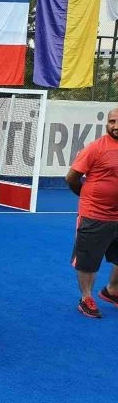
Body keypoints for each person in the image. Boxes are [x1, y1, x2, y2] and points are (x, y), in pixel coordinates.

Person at [65, 107, 118, 318]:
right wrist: (87, 197)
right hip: (95, 215)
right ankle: (86, 298)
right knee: (88, 261)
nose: (116, 126)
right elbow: (71, 177)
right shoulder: (96, 148)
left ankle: (112, 291)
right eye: (112, 121)